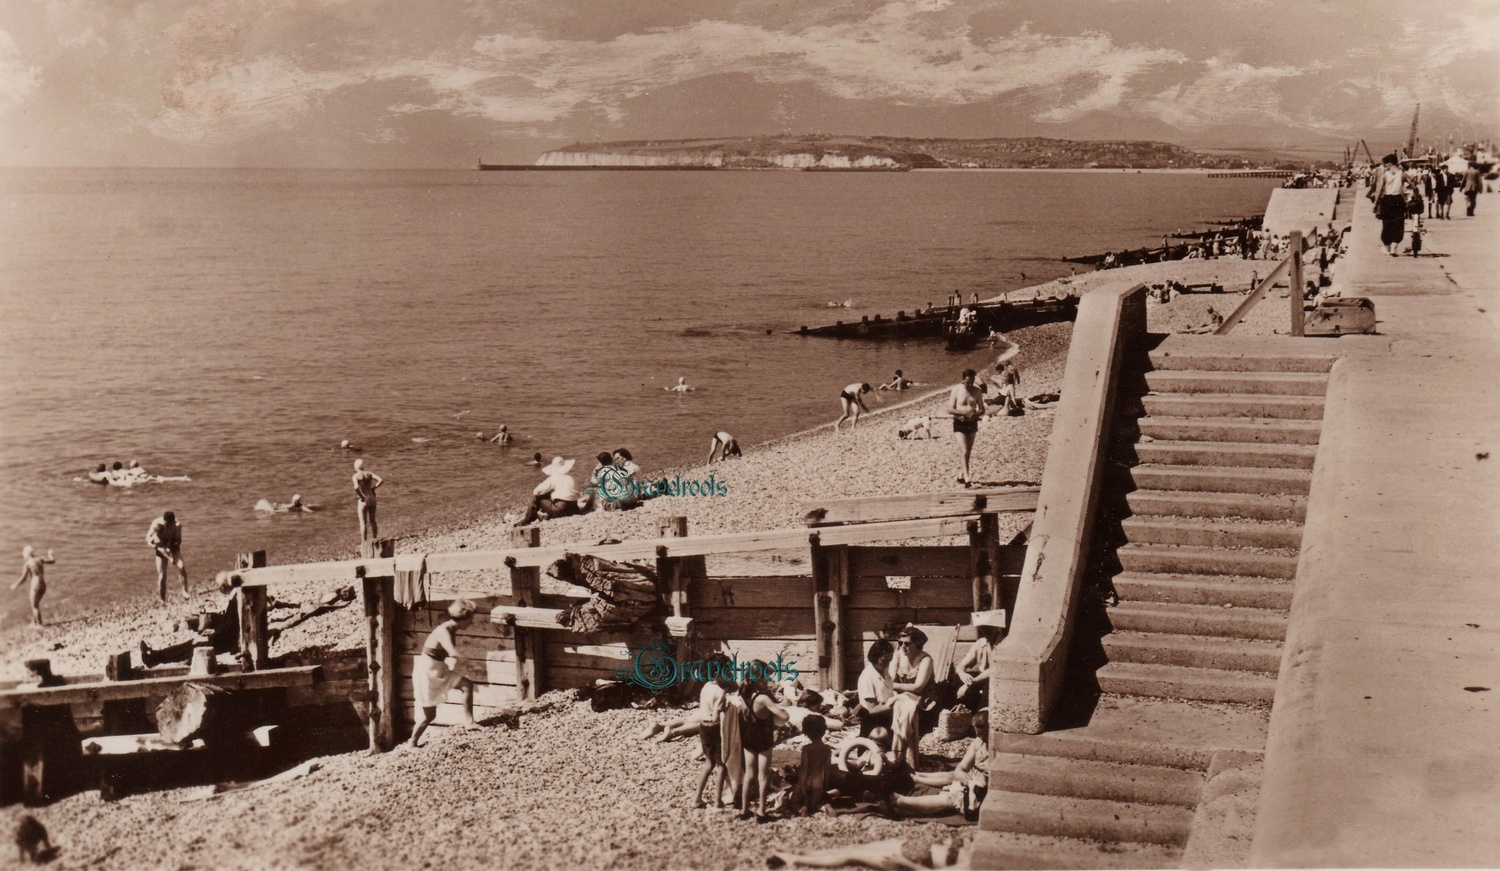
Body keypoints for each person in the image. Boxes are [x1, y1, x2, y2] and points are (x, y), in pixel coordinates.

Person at [892, 709, 990, 820]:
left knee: (952, 798)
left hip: (982, 790)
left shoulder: (995, 750)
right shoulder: (978, 743)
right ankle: (915, 777)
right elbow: (961, 768)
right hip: (973, 780)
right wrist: (962, 774)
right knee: (953, 775)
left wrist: (971, 783)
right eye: (978, 734)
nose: (981, 738)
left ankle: (901, 801)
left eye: (984, 735)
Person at [408, 599, 480, 747]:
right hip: (427, 672)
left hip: (438, 668)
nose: (472, 622)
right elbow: (452, 652)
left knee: (467, 685)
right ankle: (412, 743)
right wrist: (471, 663)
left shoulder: (452, 629)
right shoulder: (444, 630)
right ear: (464, 617)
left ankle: (470, 722)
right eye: (471, 618)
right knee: (429, 715)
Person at [139, 572, 245, 667]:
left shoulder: (234, 601)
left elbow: (230, 628)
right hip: (225, 638)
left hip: (226, 642)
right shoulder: (235, 597)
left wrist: (210, 637)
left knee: (190, 647)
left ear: (222, 587)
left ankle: (154, 658)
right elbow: (229, 622)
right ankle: (154, 657)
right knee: (190, 645)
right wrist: (212, 620)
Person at [738, 663, 789, 822]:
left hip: (748, 736)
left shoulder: (744, 692)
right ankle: (761, 812)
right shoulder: (763, 698)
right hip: (763, 737)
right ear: (760, 679)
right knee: (763, 775)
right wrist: (785, 710)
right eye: (767, 677)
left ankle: (744, 810)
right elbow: (783, 716)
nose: (769, 680)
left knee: (748, 774)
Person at [889, 625, 935, 771]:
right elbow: (889, 678)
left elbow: (918, 687)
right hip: (901, 694)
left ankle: (905, 757)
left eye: (907, 644)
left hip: (923, 699)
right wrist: (893, 689)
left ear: (918, 644)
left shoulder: (925, 659)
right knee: (893, 704)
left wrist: (892, 686)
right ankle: (892, 751)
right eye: (900, 643)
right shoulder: (897, 655)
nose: (903, 647)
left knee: (904, 707)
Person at [692, 661, 732, 808]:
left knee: (709, 764)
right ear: (718, 673)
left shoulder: (706, 686)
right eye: (726, 672)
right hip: (714, 729)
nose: (728, 675)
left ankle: (696, 798)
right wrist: (726, 708)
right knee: (722, 765)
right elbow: (716, 717)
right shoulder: (720, 693)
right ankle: (717, 800)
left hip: (703, 727)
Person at [514, 457, 580, 526]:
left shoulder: (553, 478)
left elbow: (536, 491)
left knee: (537, 497)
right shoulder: (570, 478)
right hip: (574, 509)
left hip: (561, 510)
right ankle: (543, 515)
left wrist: (547, 494)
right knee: (553, 494)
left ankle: (527, 520)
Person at [790, 714, 832, 816]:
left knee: (794, 801)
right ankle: (824, 808)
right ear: (823, 730)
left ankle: (801, 809)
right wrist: (825, 784)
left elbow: (804, 769)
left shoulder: (806, 749)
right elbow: (827, 770)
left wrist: (802, 786)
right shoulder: (827, 749)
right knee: (815, 805)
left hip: (807, 780)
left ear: (807, 732)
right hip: (818, 781)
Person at [947, 369, 984, 485]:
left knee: (968, 452)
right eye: (967, 382)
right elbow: (949, 409)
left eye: (972, 382)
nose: (970, 385)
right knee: (964, 450)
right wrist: (963, 414)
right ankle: (967, 479)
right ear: (963, 380)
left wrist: (975, 414)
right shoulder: (957, 390)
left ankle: (961, 475)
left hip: (972, 423)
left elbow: (982, 409)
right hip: (959, 422)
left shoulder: (977, 391)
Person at [954, 623, 1001, 708]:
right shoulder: (980, 643)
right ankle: (956, 712)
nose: (986, 631)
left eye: (989, 628)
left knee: (988, 684)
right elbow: (960, 666)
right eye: (983, 628)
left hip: (995, 679)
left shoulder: (1002, 643)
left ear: (996, 627)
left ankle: (981, 713)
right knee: (956, 679)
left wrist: (970, 684)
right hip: (980, 679)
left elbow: (993, 669)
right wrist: (962, 673)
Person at [1368, 154, 1408, 256]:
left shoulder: (1385, 175)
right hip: (1399, 200)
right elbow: (1413, 184)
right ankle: (1394, 248)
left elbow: (1379, 190)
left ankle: (1387, 247)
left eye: (1385, 165)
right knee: (1399, 224)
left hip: (1387, 200)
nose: (1385, 167)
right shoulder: (1402, 174)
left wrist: (1375, 204)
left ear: (1389, 164)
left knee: (1387, 224)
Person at [147, 511, 189, 602]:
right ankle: (162, 599)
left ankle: (184, 591)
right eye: (167, 524)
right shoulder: (157, 524)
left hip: (173, 546)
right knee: (162, 576)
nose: (168, 526)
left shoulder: (177, 525)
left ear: (173, 522)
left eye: (170, 524)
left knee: (181, 567)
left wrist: (172, 549)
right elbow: (148, 539)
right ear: (164, 521)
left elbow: (179, 541)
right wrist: (156, 547)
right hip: (160, 548)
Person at [857, 639, 896, 738]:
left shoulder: (884, 672)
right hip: (873, 724)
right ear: (875, 656)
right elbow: (872, 709)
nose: (887, 664)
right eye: (883, 660)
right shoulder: (867, 676)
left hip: (886, 718)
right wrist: (896, 705)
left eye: (889, 660)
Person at [11, 546, 55, 626]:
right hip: (43, 585)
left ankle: (39, 625)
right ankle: (33, 622)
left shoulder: (27, 564)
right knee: (35, 604)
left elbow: (23, 578)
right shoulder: (40, 559)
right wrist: (50, 554)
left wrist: (15, 585)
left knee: (34, 606)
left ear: (26, 555)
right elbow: (52, 561)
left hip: (35, 585)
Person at [351, 459, 384, 541]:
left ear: (356, 467)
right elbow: (381, 480)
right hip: (372, 498)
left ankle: (364, 543)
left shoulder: (355, 476)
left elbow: (356, 488)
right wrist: (373, 488)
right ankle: (375, 539)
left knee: (363, 523)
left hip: (364, 500)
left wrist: (361, 497)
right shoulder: (369, 473)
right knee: (373, 521)